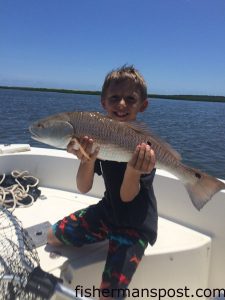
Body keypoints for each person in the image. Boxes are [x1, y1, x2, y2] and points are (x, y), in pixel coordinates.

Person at [47, 65, 158, 300]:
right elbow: (83, 187)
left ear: (143, 105)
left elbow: (127, 197)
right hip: (108, 212)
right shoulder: (99, 136)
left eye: (130, 99)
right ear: (103, 103)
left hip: (134, 225)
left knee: (108, 296)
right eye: (115, 98)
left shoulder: (144, 148)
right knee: (52, 236)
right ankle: (104, 234)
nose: (121, 105)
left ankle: (117, 243)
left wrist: (132, 170)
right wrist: (87, 158)